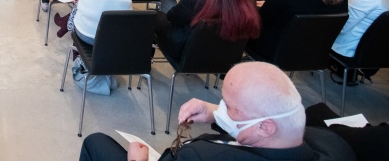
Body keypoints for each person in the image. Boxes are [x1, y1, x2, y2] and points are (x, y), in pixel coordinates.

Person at [79, 61, 355, 161]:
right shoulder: (333, 143)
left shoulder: (201, 156)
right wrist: (214, 113)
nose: (222, 109)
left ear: (265, 126)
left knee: (95, 142)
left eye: (230, 107)